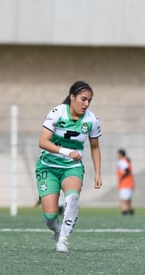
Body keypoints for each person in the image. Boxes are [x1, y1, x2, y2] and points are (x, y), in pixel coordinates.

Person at [35, 80, 102, 253]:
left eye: (89, 100)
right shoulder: (57, 113)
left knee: (72, 198)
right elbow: (42, 142)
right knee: (50, 217)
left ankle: (64, 239)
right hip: (47, 167)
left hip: (72, 167)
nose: (86, 104)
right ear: (72, 97)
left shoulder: (92, 120)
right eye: (83, 99)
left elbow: (95, 146)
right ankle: (56, 230)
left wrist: (97, 173)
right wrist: (66, 151)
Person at [117, 149, 135, 216]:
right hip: (130, 183)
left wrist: (121, 178)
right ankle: (131, 213)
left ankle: (124, 213)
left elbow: (127, 170)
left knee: (123, 200)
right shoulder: (127, 160)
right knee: (129, 200)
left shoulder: (122, 161)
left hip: (125, 183)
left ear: (121, 154)